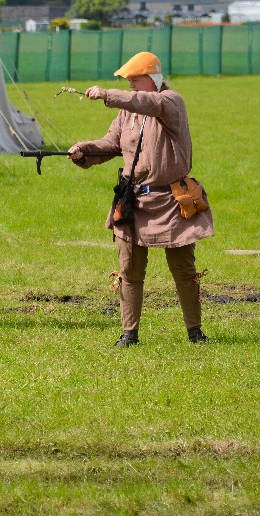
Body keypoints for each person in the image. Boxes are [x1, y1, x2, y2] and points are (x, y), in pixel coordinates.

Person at [68, 51, 214, 347]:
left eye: (135, 78)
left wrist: (107, 94)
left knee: (184, 271)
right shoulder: (126, 112)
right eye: (129, 80)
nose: (131, 84)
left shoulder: (171, 101)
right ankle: (129, 334)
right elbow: (110, 145)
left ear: (153, 78)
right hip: (133, 200)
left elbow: (149, 103)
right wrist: (84, 150)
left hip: (173, 202)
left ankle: (195, 333)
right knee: (129, 271)